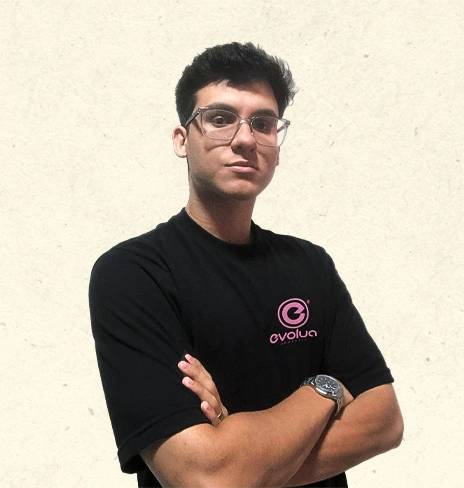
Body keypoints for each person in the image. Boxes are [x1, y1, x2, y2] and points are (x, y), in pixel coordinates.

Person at [89, 42, 403, 487]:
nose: (245, 139)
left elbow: (385, 421)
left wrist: (248, 466)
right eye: (219, 119)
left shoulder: (309, 264)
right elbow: (205, 476)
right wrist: (325, 388)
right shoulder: (134, 274)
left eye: (263, 123)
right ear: (182, 140)